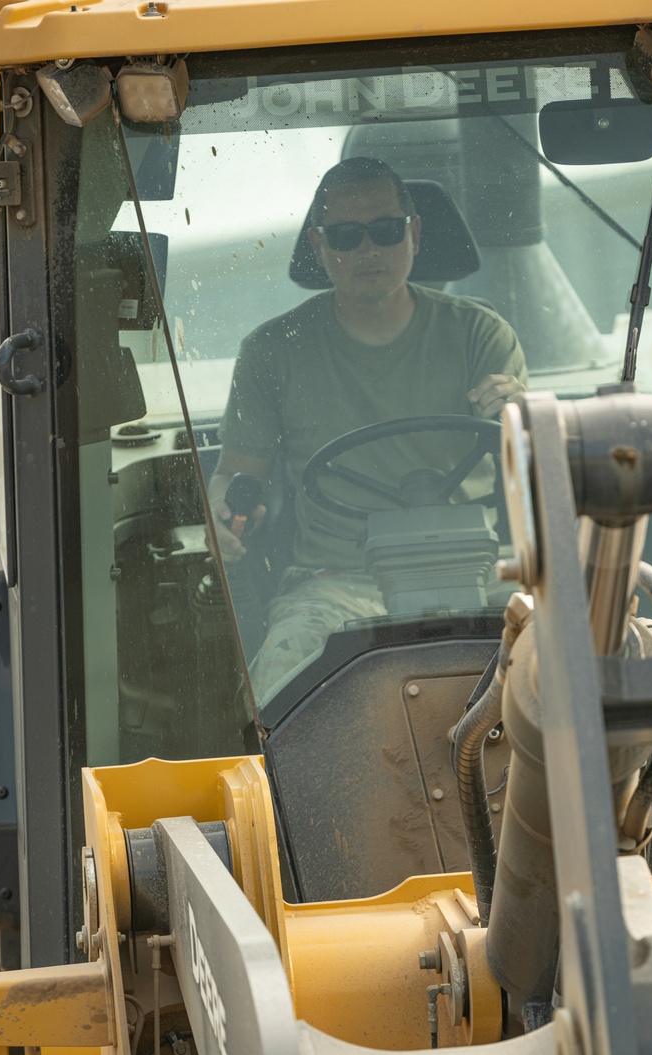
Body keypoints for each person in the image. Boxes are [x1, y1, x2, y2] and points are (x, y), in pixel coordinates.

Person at [210, 156, 527, 706]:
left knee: (579, 649)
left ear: (415, 234)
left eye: (385, 231)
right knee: (284, 684)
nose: (368, 250)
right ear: (318, 246)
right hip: (337, 582)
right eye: (345, 236)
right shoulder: (273, 352)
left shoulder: (479, 336)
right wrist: (224, 510)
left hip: (479, 572)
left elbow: (537, 473)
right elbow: (237, 476)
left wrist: (527, 420)